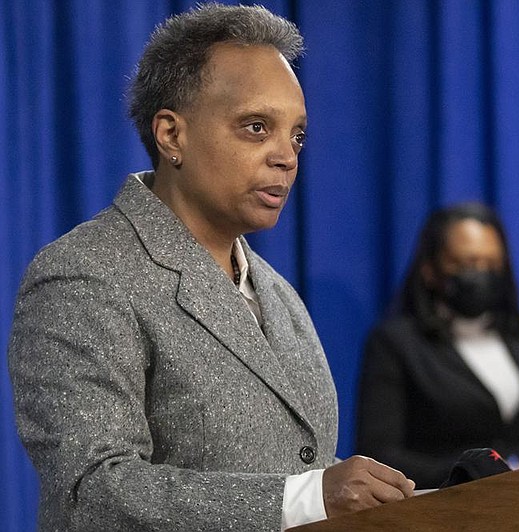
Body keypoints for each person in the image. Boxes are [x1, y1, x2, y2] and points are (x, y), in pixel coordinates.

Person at [7, 4, 413, 531]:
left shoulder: (277, 292)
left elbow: (293, 468)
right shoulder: (83, 276)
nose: (286, 156)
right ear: (171, 135)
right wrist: (309, 497)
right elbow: (93, 493)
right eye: (256, 127)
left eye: (297, 135)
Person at [356, 202, 519, 489]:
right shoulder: (396, 343)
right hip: (444, 507)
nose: (481, 274)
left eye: (492, 265)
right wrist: (474, 472)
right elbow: (379, 455)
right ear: (431, 269)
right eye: (468, 264)